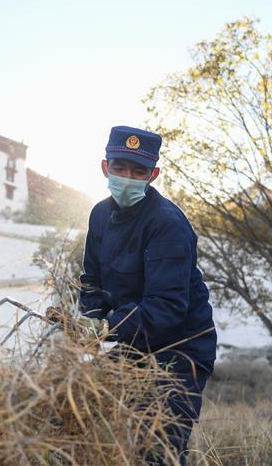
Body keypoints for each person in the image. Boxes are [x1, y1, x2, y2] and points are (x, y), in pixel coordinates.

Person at [76, 126, 217, 464]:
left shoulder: (167, 223)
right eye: (120, 167)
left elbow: (166, 307)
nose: (128, 177)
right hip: (131, 344)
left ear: (152, 175)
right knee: (99, 431)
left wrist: (105, 328)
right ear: (105, 167)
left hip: (179, 350)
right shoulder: (98, 215)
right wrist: (87, 319)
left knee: (156, 446)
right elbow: (91, 282)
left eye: (138, 171)